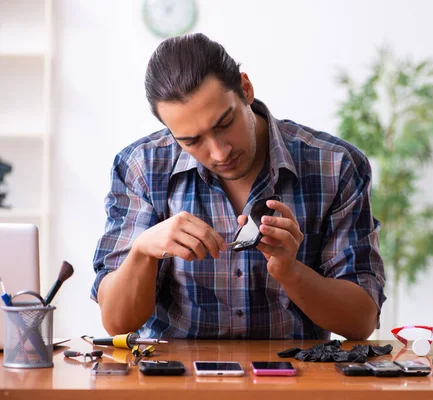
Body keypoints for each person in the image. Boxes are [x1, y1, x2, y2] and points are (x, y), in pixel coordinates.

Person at [91, 33, 385, 340]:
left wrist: (290, 272)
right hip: (174, 379)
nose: (219, 153)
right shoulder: (141, 167)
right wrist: (143, 251)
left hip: (294, 379)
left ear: (245, 89)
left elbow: (360, 321)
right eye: (192, 141)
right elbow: (116, 322)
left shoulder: (334, 165)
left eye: (224, 124)